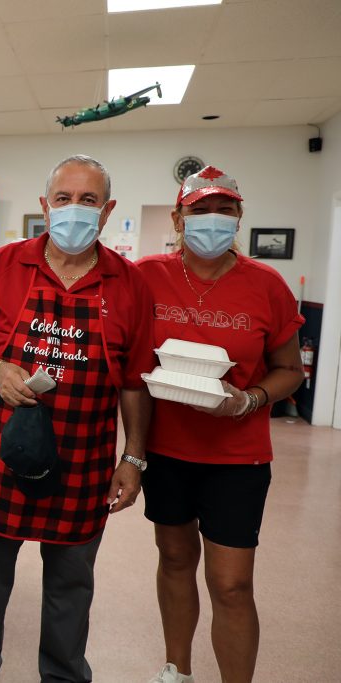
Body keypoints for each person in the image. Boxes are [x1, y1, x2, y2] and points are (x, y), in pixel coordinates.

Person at [0, 154, 155, 682]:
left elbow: (133, 382)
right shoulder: (2, 265)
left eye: (88, 200)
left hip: (83, 460)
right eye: (64, 199)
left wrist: (133, 458)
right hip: (1, 454)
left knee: (71, 582)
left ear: (106, 212)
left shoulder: (127, 283)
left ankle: (63, 675)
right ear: (46, 205)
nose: (74, 210)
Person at [136, 167, 304, 683]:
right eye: (200, 210)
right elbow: (128, 366)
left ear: (239, 218)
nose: (213, 220)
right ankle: (177, 670)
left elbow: (290, 371)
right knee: (175, 558)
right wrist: (132, 452)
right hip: (167, 450)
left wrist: (248, 400)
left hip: (238, 456)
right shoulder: (146, 276)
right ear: (178, 217)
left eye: (224, 211)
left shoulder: (266, 285)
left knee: (231, 584)